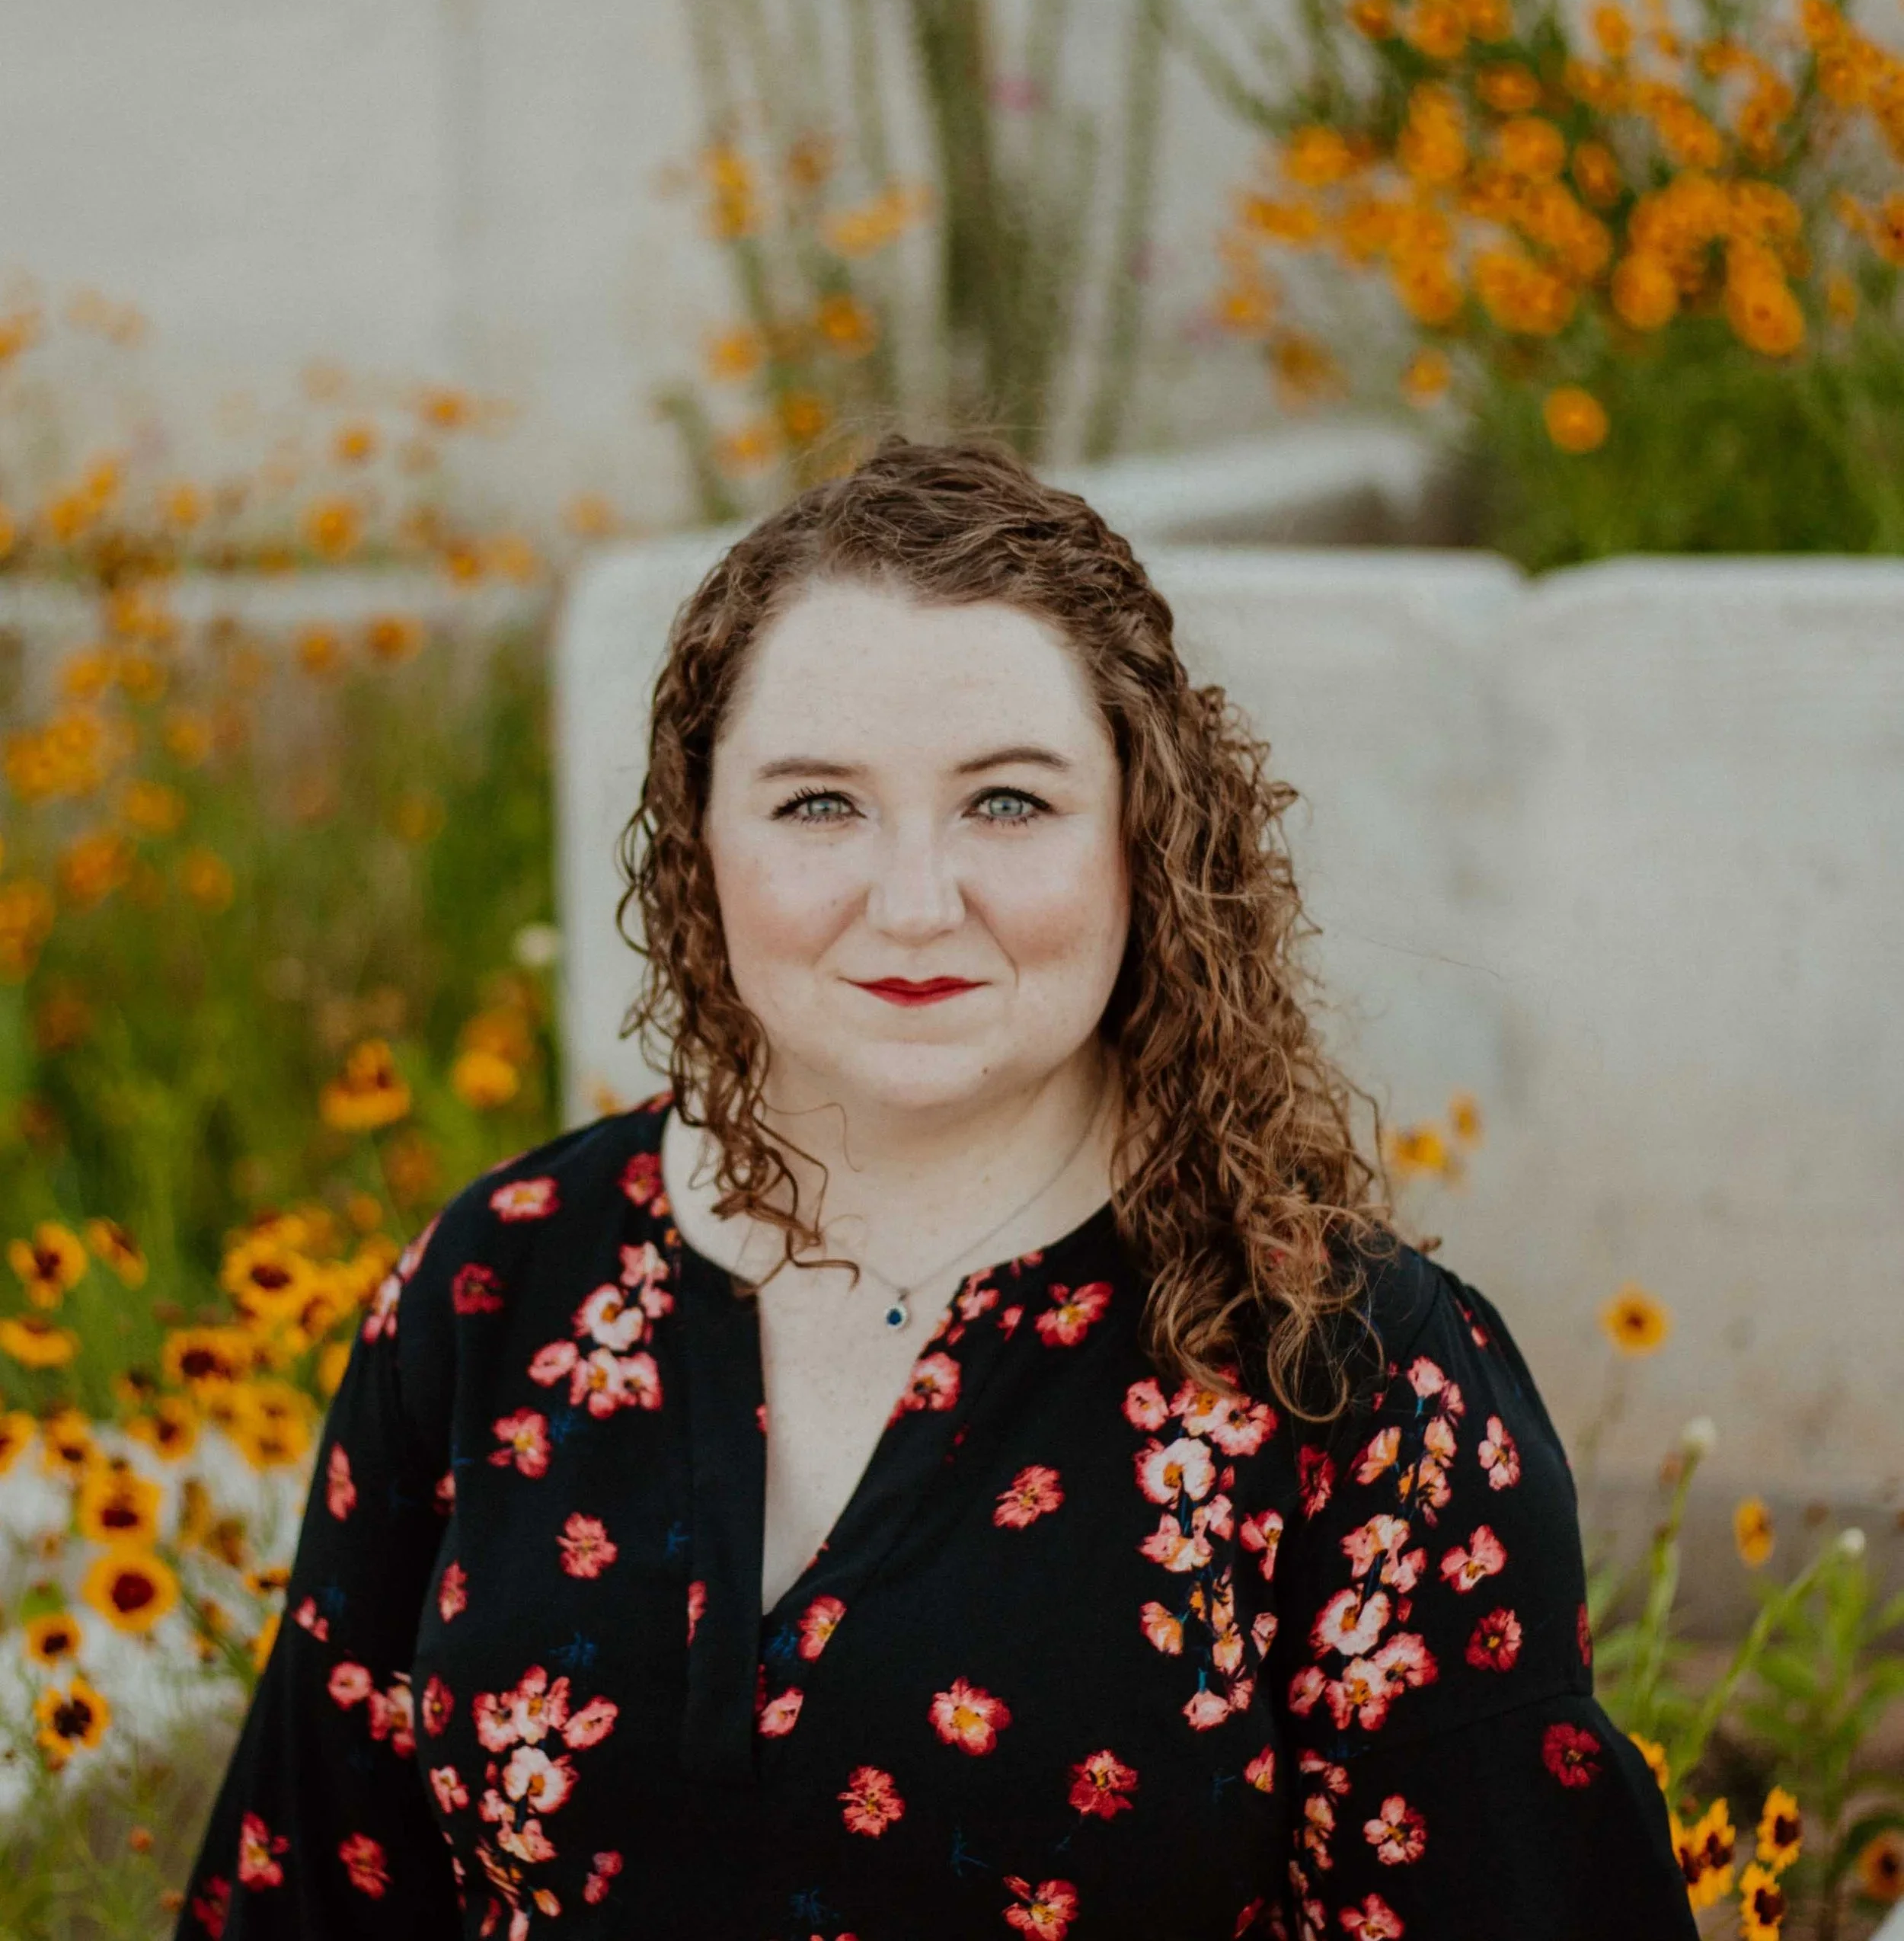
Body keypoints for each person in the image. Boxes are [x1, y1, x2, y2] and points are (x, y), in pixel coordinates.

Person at [176, 434, 1695, 1940]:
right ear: (699, 840)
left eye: (1007, 802)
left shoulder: (1349, 1377)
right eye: (817, 804)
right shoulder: (501, 1283)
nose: (913, 904)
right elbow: (310, 1891)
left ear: (1146, 836)